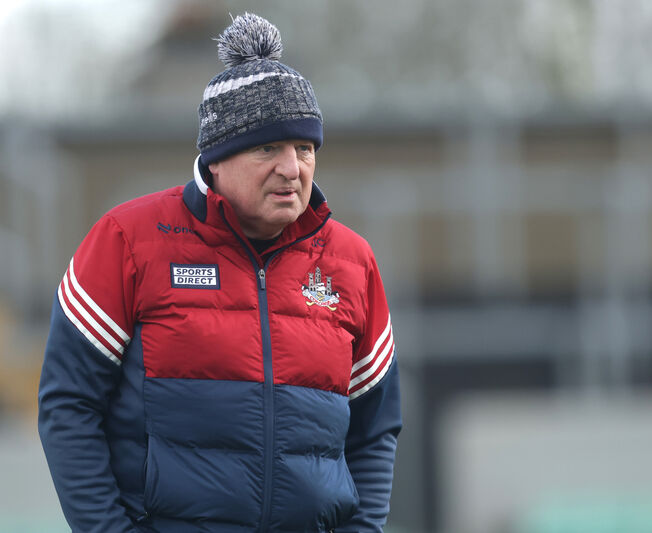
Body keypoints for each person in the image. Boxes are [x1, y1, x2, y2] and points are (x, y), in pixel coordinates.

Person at [38, 12, 401, 533]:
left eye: (304, 148)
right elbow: (68, 405)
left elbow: (375, 429)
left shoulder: (353, 262)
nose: (292, 168)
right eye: (267, 148)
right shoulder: (128, 240)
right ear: (216, 160)